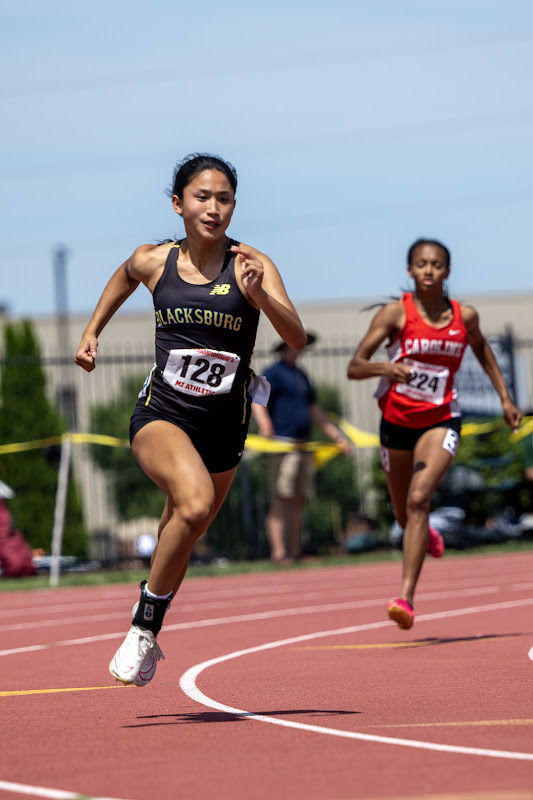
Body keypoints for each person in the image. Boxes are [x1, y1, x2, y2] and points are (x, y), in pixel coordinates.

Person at [75, 153, 307, 685]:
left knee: (184, 527)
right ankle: (143, 627)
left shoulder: (253, 264)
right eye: (202, 197)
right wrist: (92, 332)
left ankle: (147, 624)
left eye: (224, 198)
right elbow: (125, 274)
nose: (213, 207)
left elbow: (295, 336)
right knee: (196, 502)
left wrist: (258, 299)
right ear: (179, 204)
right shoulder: (155, 260)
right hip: (163, 414)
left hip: (224, 428)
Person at [347, 238, 521, 630]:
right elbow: (354, 366)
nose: (429, 270)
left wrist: (506, 399)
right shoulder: (396, 314)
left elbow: (484, 353)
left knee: (420, 498)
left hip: (441, 419)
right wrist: (386, 370)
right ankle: (423, 537)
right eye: (422, 264)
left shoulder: (465, 317)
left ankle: (405, 598)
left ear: (447, 272)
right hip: (396, 424)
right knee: (402, 515)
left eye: (437, 264)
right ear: (410, 270)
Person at [252, 335, 352, 562]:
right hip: (282, 445)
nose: (302, 349)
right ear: (285, 347)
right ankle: (279, 552)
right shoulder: (273, 372)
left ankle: (296, 551)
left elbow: (315, 410)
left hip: (304, 445)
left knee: (299, 499)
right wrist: (265, 424)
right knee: (281, 497)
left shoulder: (302, 375)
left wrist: (337, 436)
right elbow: (257, 400)